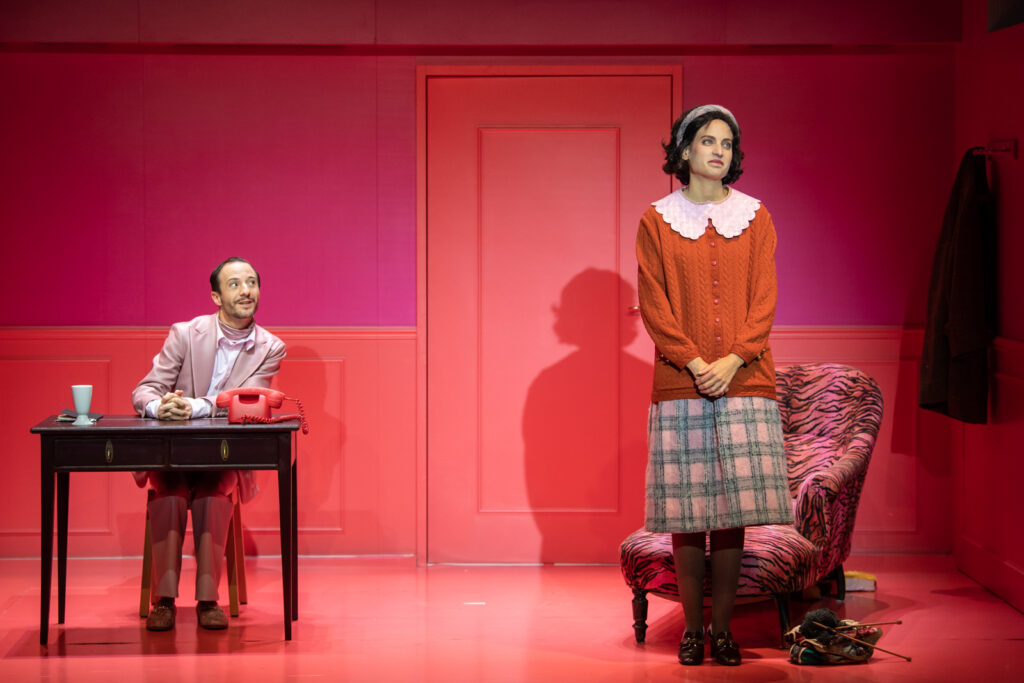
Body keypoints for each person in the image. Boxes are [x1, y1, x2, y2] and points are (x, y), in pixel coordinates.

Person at [635, 105, 792, 666]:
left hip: (745, 380)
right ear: (684, 151)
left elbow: (765, 299)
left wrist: (733, 360)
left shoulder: (756, 216)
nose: (719, 151)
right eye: (707, 141)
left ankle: (723, 631)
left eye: (726, 143)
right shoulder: (657, 220)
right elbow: (654, 303)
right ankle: (691, 631)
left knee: (731, 514)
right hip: (682, 382)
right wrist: (696, 362)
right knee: (687, 514)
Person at [131, 257, 286, 631]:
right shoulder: (185, 334)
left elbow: (248, 400)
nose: (246, 291)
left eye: (251, 283)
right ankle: (164, 601)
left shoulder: (271, 347)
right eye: (234, 284)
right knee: (170, 493)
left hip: (224, 455)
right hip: (174, 454)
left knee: (211, 495)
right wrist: (159, 406)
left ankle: (208, 601)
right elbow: (146, 389)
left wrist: (195, 406)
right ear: (216, 296)